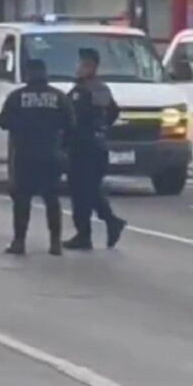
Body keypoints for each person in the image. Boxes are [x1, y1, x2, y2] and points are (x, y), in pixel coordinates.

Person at [0, 59, 73, 256]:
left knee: (22, 200)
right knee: (51, 199)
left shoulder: (16, 97)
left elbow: (3, 122)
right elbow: (71, 123)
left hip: (24, 154)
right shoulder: (58, 97)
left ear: (28, 74)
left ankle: (19, 241)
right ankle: (55, 243)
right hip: (51, 153)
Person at [65, 48, 127, 250]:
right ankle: (108, 223)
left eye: (81, 64)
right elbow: (113, 111)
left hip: (84, 148)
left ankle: (88, 233)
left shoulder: (83, 91)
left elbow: (75, 118)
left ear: (90, 66)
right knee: (89, 191)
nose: (77, 68)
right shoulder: (99, 88)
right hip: (95, 146)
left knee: (82, 192)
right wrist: (102, 128)